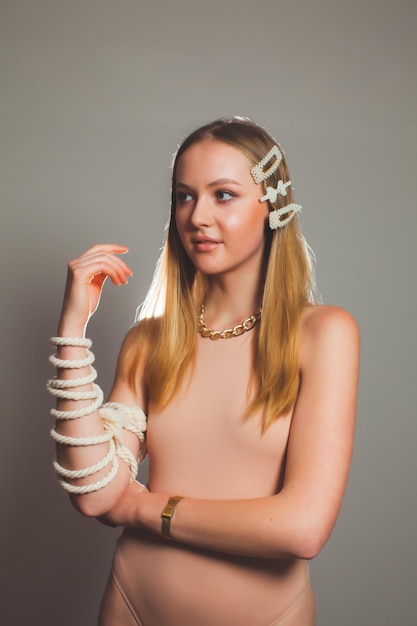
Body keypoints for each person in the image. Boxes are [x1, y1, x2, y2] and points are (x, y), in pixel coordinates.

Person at [48, 117, 360, 625]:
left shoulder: (324, 334)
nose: (197, 217)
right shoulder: (148, 341)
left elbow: (302, 528)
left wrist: (145, 508)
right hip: (131, 605)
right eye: (184, 196)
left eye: (224, 195)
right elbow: (97, 493)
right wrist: (73, 329)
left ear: (273, 207)